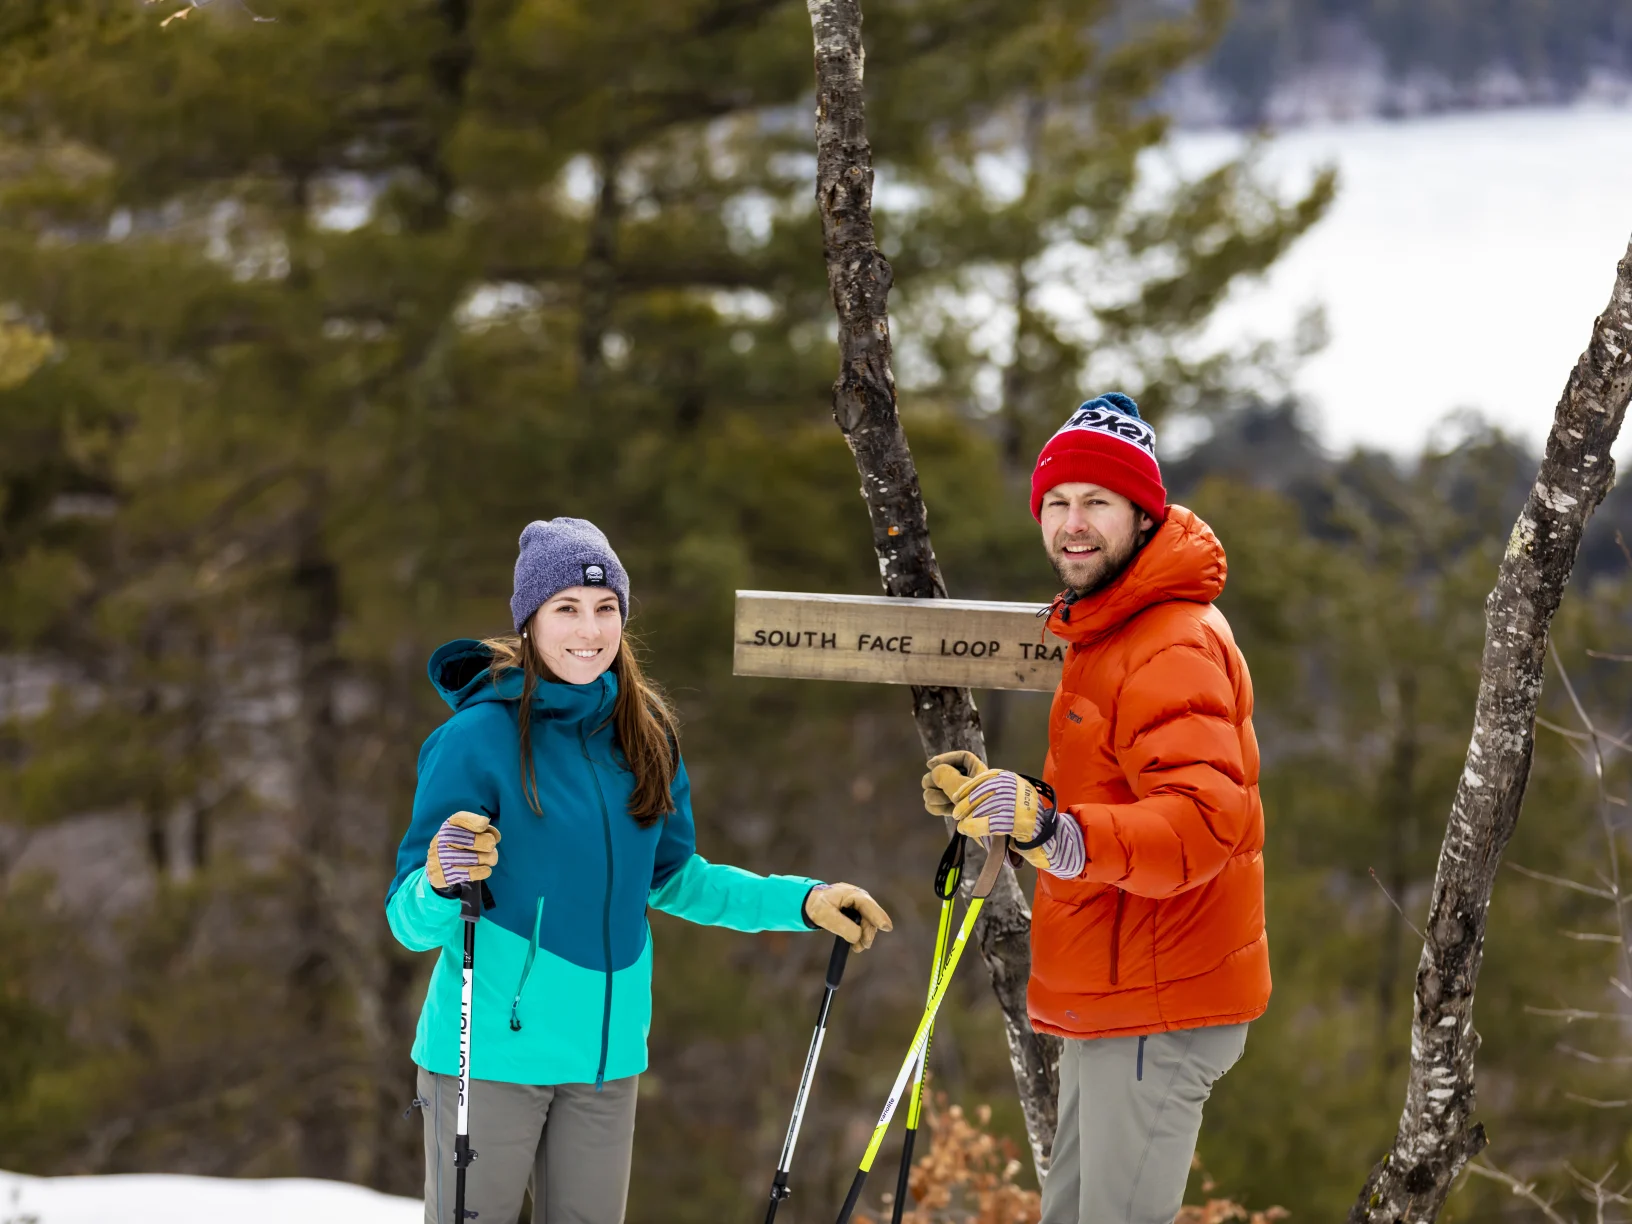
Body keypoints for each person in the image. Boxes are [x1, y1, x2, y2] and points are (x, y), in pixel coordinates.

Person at [387, 517, 892, 1224]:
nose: (588, 630)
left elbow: (675, 876)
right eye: (566, 608)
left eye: (605, 609)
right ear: (530, 620)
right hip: (489, 1058)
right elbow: (407, 921)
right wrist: (440, 875)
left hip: (605, 1064)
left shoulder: (644, 732)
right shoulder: (477, 738)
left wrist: (803, 902)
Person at [922, 394, 1268, 1224]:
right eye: (1057, 503)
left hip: (1157, 1001)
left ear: (1142, 515)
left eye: (1097, 503)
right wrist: (1012, 803)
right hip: (1114, 999)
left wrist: (1052, 831)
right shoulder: (1109, 630)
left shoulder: (1170, 639)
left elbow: (1198, 826)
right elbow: (1109, 798)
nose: (1072, 524)